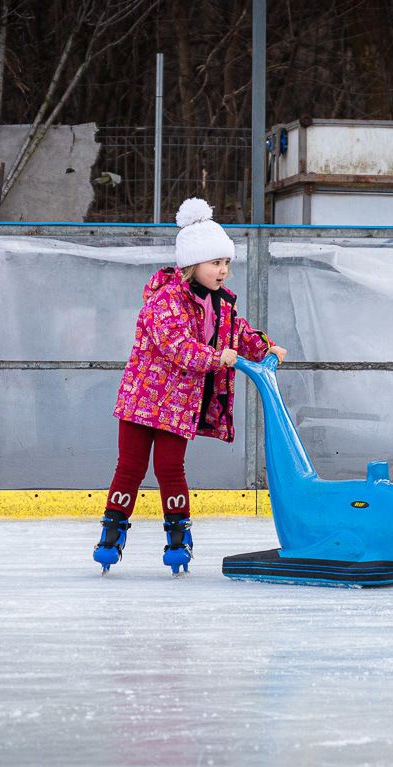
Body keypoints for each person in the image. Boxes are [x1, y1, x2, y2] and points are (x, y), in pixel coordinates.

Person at [95, 197, 287, 575]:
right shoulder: (164, 300)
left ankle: (179, 535)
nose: (223, 271)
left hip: (179, 405)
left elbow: (239, 331)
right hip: (142, 401)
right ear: (191, 264)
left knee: (171, 469)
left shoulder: (221, 304)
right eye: (216, 263)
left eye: (227, 263)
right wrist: (218, 358)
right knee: (130, 467)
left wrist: (266, 346)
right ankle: (112, 531)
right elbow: (179, 348)